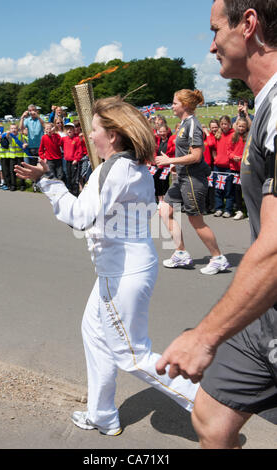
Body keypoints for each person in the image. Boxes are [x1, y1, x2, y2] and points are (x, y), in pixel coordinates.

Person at [15, 96, 199, 436]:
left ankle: (208, 403)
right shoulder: (130, 165)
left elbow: (80, 217)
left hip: (122, 274)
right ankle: (103, 415)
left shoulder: (112, 168)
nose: (91, 135)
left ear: (112, 135)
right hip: (122, 268)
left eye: (95, 129)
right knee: (93, 333)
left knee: (131, 354)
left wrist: (47, 183)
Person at [156, 0, 277, 449]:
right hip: (265, 313)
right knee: (210, 417)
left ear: (248, 25)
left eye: (214, 31)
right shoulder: (265, 105)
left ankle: (208, 254)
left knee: (195, 217)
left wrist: (206, 336)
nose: (210, 46)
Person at [155, 89, 229, 275]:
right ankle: (180, 252)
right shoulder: (183, 124)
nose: (171, 106)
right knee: (165, 210)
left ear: (185, 105)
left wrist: (170, 161)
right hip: (181, 176)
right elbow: (185, 154)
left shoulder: (193, 125)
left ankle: (218, 258)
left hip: (193, 179)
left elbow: (196, 156)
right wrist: (175, 165)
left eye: (175, 103)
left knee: (196, 221)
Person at [213, 116, 235, 218]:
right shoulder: (218, 134)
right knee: (218, 189)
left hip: (229, 167)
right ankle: (218, 208)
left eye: (225, 124)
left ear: (229, 124)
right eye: (222, 124)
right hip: (218, 166)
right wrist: (215, 159)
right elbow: (212, 147)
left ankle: (228, 209)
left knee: (229, 189)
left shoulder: (234, 134)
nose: (223, 126)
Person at [228, 117, 249, 220]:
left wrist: (241, 158)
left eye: (243, 126)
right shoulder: (233, 137)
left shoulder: (248, 137)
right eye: (239, 126)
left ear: (246, 127)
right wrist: (233, 157)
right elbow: (229, 151)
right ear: (236, 126)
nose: (241, 128)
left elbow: (250, 151)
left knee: (248, 190)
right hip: (235, 168)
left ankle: (250, 211)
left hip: (246, 168)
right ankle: (240, 210)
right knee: (237, 190)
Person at [61, 122, 83, 197]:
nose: (69, 131)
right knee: (68, 177)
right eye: (67, 129)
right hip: (67, 161)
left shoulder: (76, 139)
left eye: (71, 129)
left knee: (74, 178)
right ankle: (70, 192)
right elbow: (57, 142)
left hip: (74, 162)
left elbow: (79, 151)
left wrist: (76, 159)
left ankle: (75, 193)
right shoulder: (64, 139)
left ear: (74, 130)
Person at [203, 120, 219, 213]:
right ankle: (204, 206)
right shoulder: (199, 141)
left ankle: (212, 205)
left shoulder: (209, 138)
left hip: (210, 166)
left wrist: (207, 133)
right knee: (204, 188)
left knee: (211, 187)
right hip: (201, 168)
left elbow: (211, 144)